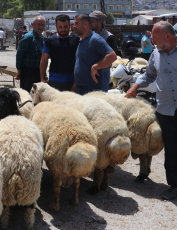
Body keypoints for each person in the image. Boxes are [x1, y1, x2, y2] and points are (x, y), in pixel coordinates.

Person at [125, 22, 177, 200]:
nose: (151, 40)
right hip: (166, 109)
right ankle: (174, 185)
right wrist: (135, 88)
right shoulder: (155, 54)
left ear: (167, 37)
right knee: (171, 149)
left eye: (154, 37)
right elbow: (149, 74)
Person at [72, 13, 117, 95]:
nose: (74, 26)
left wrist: (95, 66)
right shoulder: (81, 40)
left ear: (85, 24)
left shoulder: (95, 39)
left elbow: (112, 56)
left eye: (76, 23)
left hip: (92, 89)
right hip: (81, 87)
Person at [40, 14, 79, 91]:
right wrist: (42, 78)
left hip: (72, 81)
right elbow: (44, 60)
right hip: (54, 81)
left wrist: (76, 82)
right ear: (56, 26)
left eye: (65, 26)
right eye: (60, 27)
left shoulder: (77, 40)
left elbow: (80, 61)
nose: (63, 29)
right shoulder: (49, 41)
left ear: (69, 25)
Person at [15, 16, 45, 92]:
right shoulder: (27, 38)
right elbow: (19, 56)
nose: (41, 27)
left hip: (39, 72)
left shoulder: (41, 38)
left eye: (43, 25)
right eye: (39, 24)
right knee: (28, 97)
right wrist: (19, 72)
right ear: (33, 24)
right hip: (28, 74)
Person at [90, 11, 116, 92]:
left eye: (92, 21)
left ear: (99, 22)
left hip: (102, 73)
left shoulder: (108, 37)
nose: (90, 23)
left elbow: (111, 58)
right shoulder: (89, 35)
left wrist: (97, 66)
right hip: (90, 72)